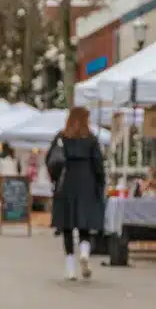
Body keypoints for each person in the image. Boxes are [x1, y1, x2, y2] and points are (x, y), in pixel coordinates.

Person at [48, 106, 106, 281]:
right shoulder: (91, 138)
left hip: (66, 183)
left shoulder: (61, 137)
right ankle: (85, 252)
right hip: (87, 183)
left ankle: (70, 268)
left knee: (67, 227)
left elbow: (50, 161)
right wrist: (100, 184)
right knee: (84, 224)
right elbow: (98, 165)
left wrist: (55, 180)